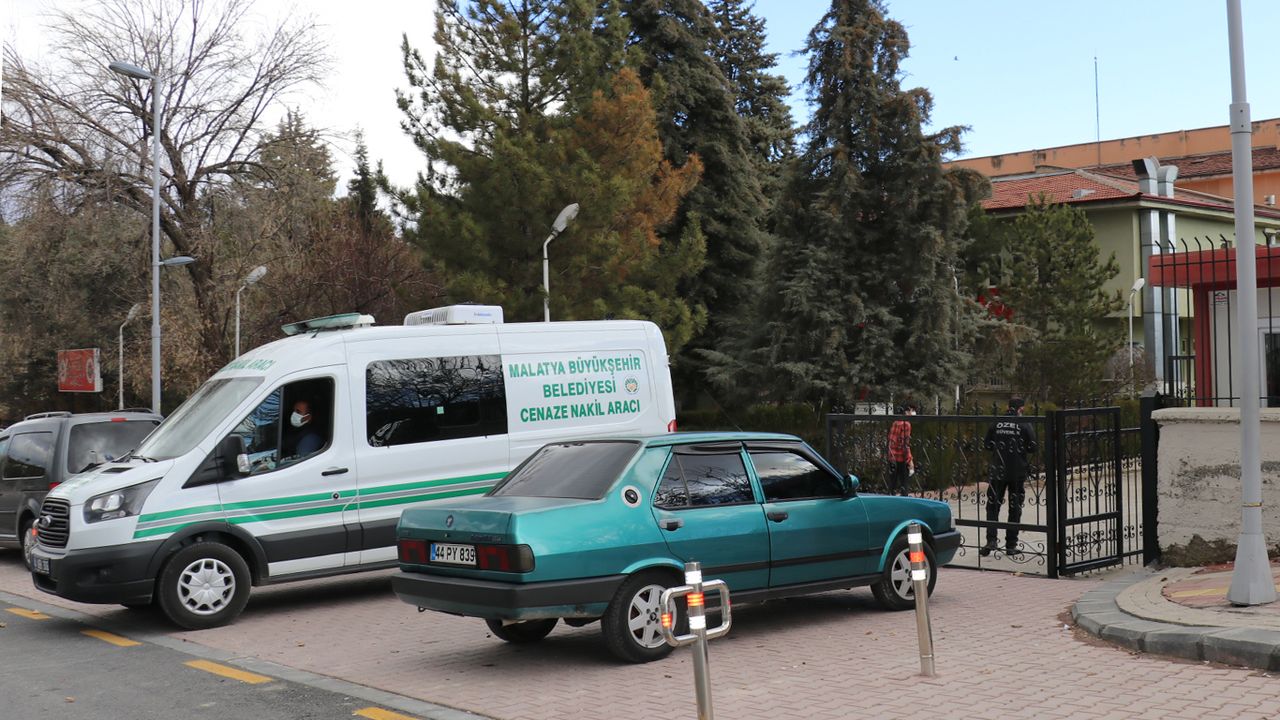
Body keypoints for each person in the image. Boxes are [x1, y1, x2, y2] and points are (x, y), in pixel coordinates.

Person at [981, 397, 1037, 557]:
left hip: (998, 470)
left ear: (1008, 407)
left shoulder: (997, 422)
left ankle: (991, 541)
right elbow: (1033, 447)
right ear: (1021, 409)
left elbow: (987, 444)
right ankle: (1011, 545)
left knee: (993, 506)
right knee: (1015, 508)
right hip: (1016, 471)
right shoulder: (1024, 423)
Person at [887, 403, 916, 496]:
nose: (913, 413)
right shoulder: (906, 424)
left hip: (892, 457)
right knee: (904, 485)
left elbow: (891, 439)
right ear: (907, 412)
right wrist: (910, 460)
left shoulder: (895, 422)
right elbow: (904, 444)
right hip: (901, 458)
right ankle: (904, 502)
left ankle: (890, 500)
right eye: (912, 410)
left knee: (892, 484)